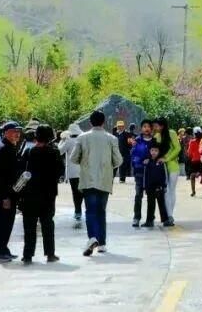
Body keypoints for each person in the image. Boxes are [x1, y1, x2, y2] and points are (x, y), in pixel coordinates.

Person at [69, 110, 124, 257]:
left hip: (88, 180)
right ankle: (102, 244)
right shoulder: (112, 138)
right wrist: (108, 166)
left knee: (90, 211)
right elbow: (118, 160)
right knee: (101, 211)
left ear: (90, 122)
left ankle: (92, 237)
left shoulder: (82, 138)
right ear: (104, 122)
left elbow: (73, 158)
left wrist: (84, 162)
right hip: (105, 180)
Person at [20, 124, 63, 263]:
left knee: (29, 225)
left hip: (30, 194)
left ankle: (27, 255)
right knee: (47, 224)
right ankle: (50, 254)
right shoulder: (54, 152)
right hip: (48, 194)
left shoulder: (29, 152)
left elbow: (21, 172)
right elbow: (60, 172)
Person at [0, 121, 22, 261]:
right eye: (14, 131)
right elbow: (0, 176)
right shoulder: (3, 149)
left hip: (9, 192)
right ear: (6, 133)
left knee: (7, 222)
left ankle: (3, 248)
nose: (17, 134)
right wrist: (5, 197)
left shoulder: (9, 147)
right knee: (2, 223)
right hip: (4, 193)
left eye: (18, 131)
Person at [153, 117, 181, 224]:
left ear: (162, 126)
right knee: (166, 190)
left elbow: (177, 148)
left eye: (156, 126)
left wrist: (167, 158)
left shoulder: (171, 133)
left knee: (171, 190)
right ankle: (168, 215)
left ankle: (170, 215)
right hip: (162, 166)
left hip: (173, 165)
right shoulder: (156, 136)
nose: (155, 128)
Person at [130, 120, 155, 228]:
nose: (146, 128)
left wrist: (150, 160)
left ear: (151, 129)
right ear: (141, 128)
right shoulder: (137, 140)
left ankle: (150, 219)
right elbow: (133, 155)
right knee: (138, 195)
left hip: (152, 172)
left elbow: (157, 154)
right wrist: (138, 163)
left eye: (148, 126)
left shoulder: (154, 141)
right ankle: (136, 218)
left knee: (151, 196)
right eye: (144, 126)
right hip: (139, 171)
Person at [59, 123, 84, 227]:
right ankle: (84, 210)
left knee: (75, 192)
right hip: (84, 171)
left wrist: (62, 140)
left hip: (73, 172)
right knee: (83, 192)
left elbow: (60, 151)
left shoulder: (69, 140)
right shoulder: (83, 139)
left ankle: (78, 211)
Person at [141, 144, 171, 227]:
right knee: (150, 204)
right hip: (150, 187)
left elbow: (164, 175)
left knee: (161, 204)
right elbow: (145, 176)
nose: (154, 152)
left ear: (159, 152)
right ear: (150, 151)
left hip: (159, 187)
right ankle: (149, 221)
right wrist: (145, 187)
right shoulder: (147, 162)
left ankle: (165, 220)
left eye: (156, 151)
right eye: (152, 150)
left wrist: (164, 186)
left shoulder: (161, 162)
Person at [187, 128, 202, 197]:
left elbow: (189, 153)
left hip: (194, 161)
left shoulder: (192, 142)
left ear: (194, 134)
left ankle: (193, 192)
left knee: (192, 176)